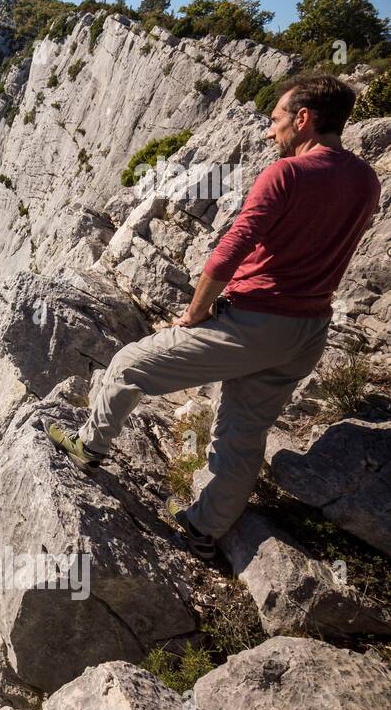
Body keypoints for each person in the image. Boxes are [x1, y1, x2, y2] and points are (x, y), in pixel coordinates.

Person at [48, 74, 381, 558]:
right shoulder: (365, 179)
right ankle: (204, 531)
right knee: (242, 436)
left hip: (256, 321)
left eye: (276, 120)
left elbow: (230, 251)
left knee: (128, 365)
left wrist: (195, 313)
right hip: (309, 331)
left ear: (304, 119)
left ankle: (89, 447)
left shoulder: (287, 174)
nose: (271, 133)